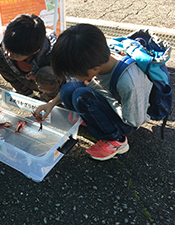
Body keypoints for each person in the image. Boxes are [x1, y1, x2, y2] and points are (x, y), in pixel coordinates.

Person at [34, 24, 152, 161]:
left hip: (127, 118)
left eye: (73, 73)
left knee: (82, 97)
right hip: (108, 100)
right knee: (68, 89)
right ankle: (90, 118)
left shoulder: (129, 81)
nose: (72, 76)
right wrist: (52, 103)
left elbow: (133, 120)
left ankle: (116, 140)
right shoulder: (92, 59)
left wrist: (94, 87)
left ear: (95, 69)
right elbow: (75, 82)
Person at [0, 13, 58, 100]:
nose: (9, 55)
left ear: (35, 51)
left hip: (46, 83)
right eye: (7, 49)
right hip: (22, 80)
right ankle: (25, 93)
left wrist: (37, 76)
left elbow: (65, 76)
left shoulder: (51, 52)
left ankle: (49, 99)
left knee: (46, 74)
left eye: (16, 55)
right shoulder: (10, 42)